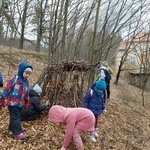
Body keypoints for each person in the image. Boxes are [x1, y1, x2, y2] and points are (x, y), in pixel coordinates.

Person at [0, 61, 33, 140]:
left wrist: (27, 101)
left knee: (15, 116)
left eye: (29, 74)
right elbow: (7, 88)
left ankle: (12, 128)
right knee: (16, 117)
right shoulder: (15, 78)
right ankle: (18, 133)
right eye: (26, 73)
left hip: (20, 103)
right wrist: (2, 98)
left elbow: (26, 93)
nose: (27, 75)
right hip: (12, 102)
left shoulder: (26, 82)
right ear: (22, 71)